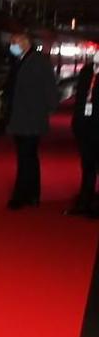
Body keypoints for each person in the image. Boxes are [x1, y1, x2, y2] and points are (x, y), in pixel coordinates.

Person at [5, 33, 61, 209]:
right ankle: (32, 194)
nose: (11, 46)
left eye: (14, 43)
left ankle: (20, 196)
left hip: (31, 118)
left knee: (25, 157)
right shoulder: (21, 61)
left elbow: (50, 89)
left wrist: (48, 109)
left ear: (25, 43)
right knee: (29, 157)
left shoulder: (38, 62)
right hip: (22, 117)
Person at [68, 53, 99, 217]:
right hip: (84, 125)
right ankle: (84, 201)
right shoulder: (86, 71)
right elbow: (80, 97)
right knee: (87, 165)